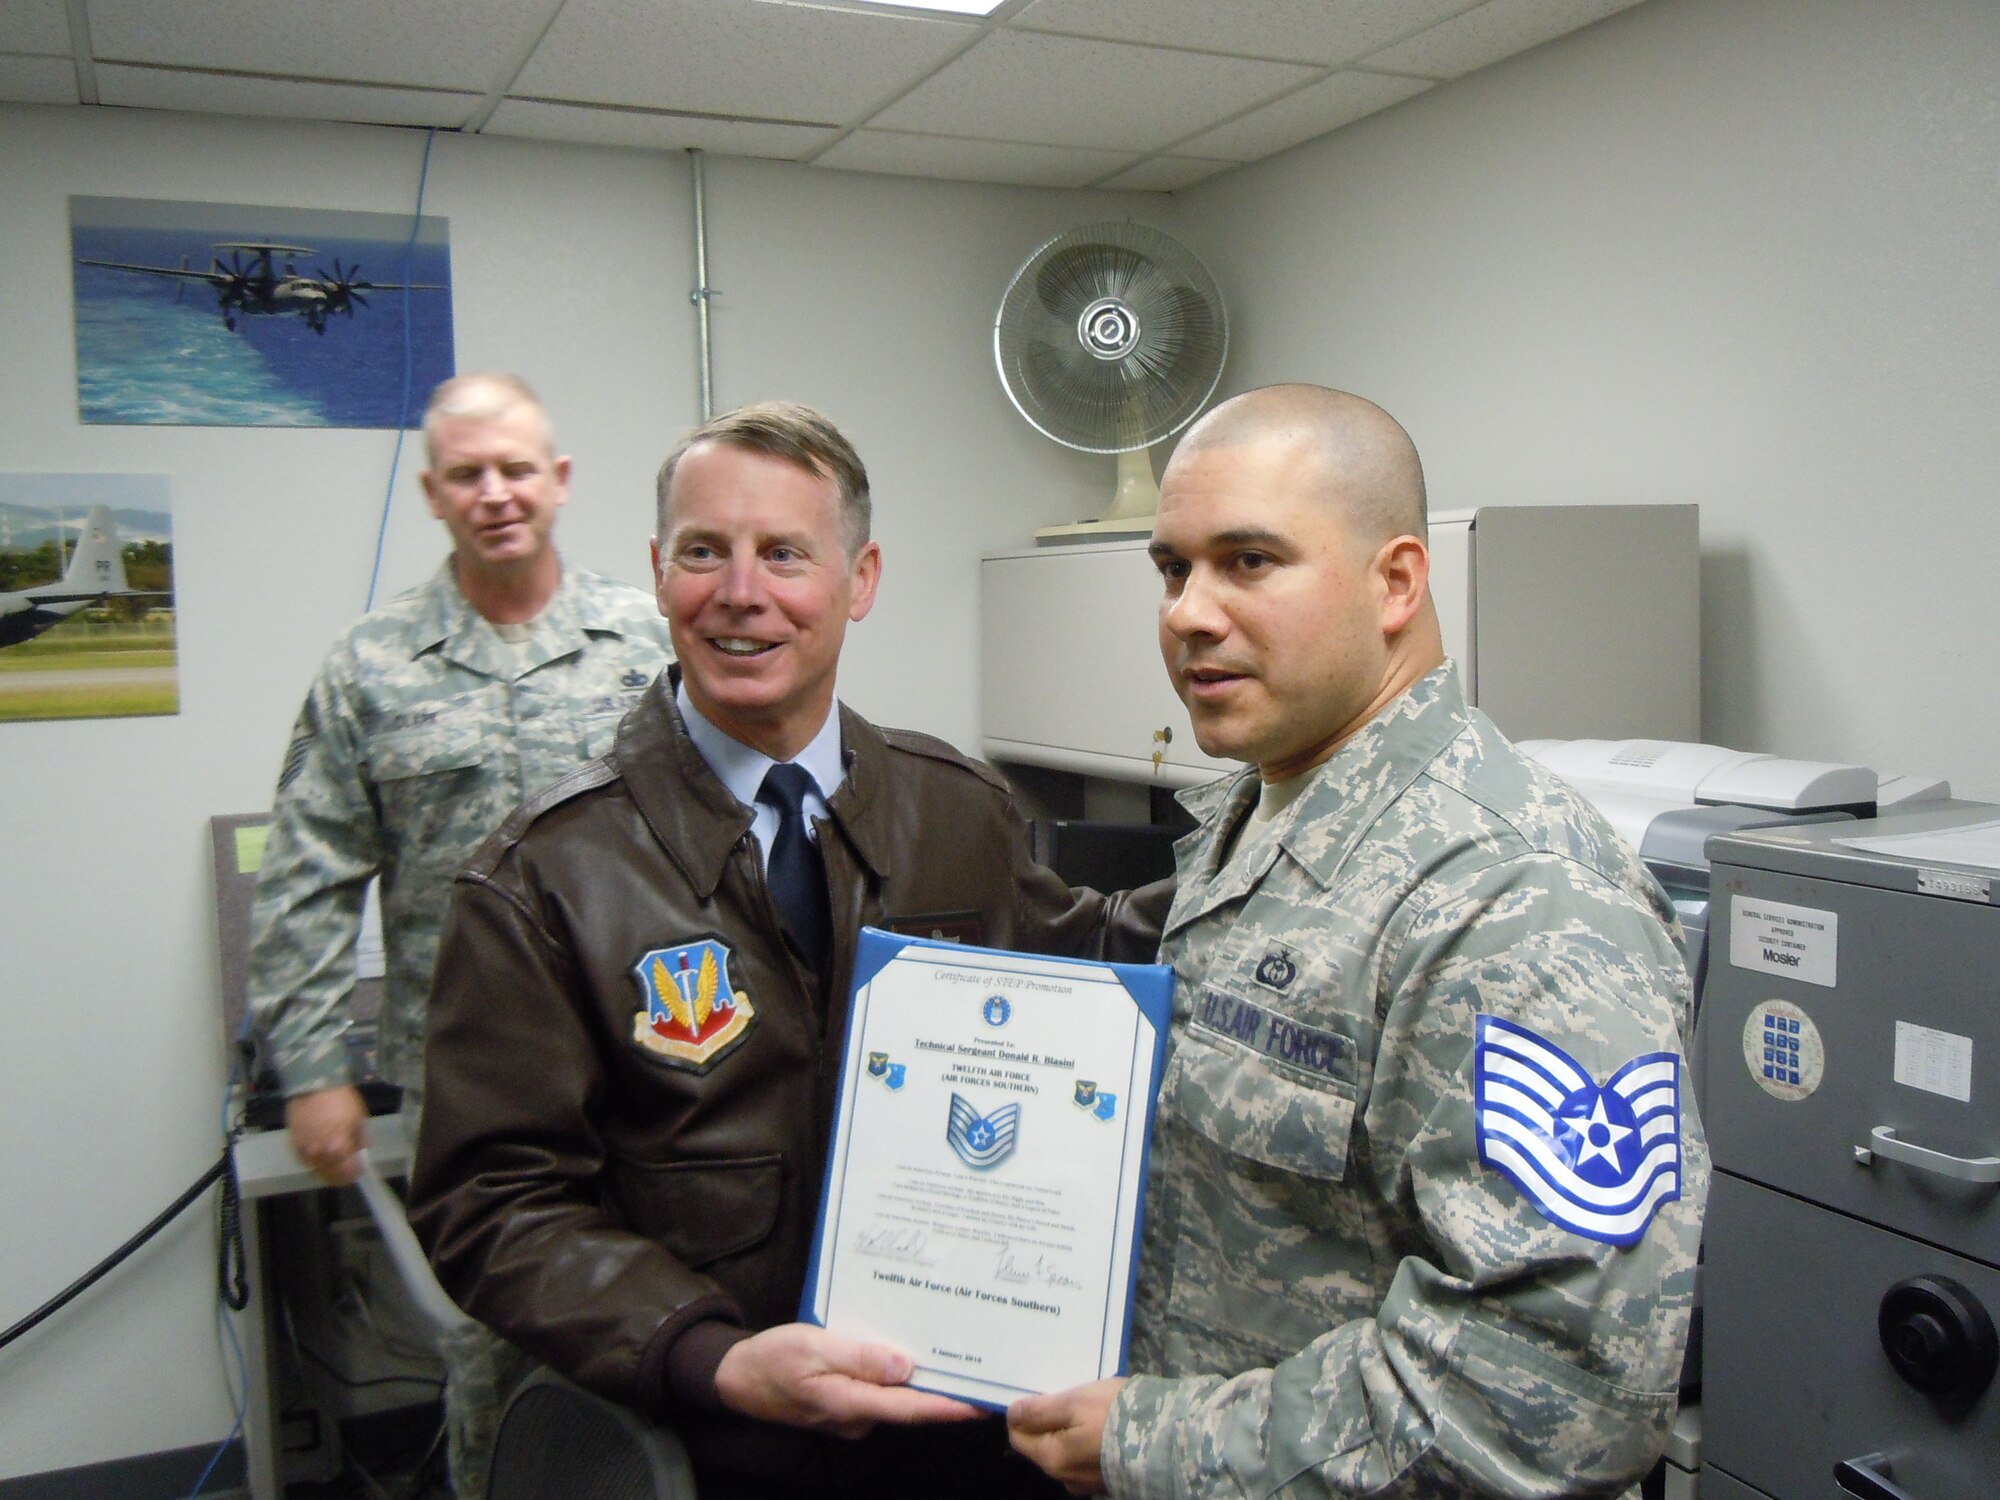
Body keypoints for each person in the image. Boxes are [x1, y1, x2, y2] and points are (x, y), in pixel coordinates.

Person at [408, 401, 1170, 1499]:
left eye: (783, 554)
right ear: (656, 571)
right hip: (714, 1436)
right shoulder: (542, 876)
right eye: (702, 552)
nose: (739, 593)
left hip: (954, 1424)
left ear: (858, 581)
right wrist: (707, 1357)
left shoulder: (957, 813)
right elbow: (492, 1200)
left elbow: (1084, 979)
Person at [1007, 385, 1709, 1499]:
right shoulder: (1246, 820)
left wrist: (1153, 1443)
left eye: (1246, 561)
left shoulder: (1512, 903)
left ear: (1395, 581)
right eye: (1171, 569)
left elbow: (1553, 1397)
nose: (1187, 611)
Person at [245, 371, 676, 1498]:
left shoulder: (646, 645)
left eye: (517, 469)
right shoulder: (368, 670)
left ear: (560, 482)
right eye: (469, 475)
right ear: (433, 492)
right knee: (492, 1349)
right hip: (469, 1087)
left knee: (665, 1331)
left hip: (655, 1063)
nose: (496, 493)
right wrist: (311, 1068)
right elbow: (306, 877)